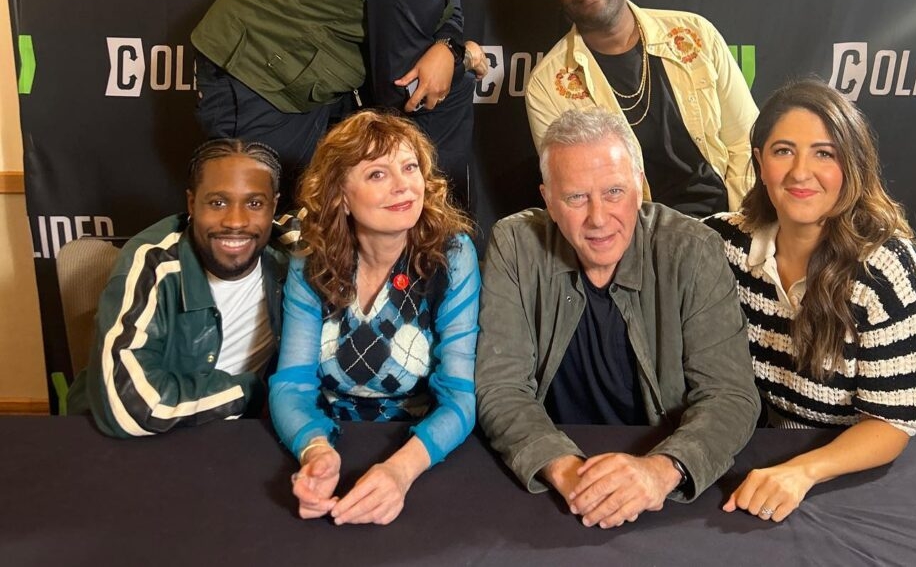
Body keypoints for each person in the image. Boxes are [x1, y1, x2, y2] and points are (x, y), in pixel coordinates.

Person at [475, 108, 759, 529]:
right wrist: (564, 468)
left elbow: (731, 396)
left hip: (661, 485)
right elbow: (501, 385)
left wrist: (661, 471)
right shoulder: (515, 245)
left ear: (640, 187)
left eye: (613, 192)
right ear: (548, 200)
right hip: (559, 486)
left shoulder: (692, 250)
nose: (598, 218)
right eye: (576, 198)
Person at [192, 0, 542, 207]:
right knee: (260, 211)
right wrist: (460, 54)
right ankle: (439, 226)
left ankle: (439, 226)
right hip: (256, 68)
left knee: (452, 86)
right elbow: (401, 89)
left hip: (300, 68)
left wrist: (448, 48)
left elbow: (449, 12)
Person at [702, 78, 916, 523]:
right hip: (777, 445)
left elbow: (890, 425)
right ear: (759, 162)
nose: (800, 172)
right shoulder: (722, 244)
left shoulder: (888, 273)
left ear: (850, 166)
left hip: (875, 459)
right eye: (783, 151)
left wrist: (801, 473)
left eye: (824, 153)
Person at [269, 110, 480, 526]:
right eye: (377, 174)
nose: (403, 185)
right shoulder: (310, 260)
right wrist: (315, 452)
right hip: (329, 436)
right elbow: (292, 385)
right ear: (340, 196)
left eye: (410, 167)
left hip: (423, 450)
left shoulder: (452, 257)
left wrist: (400, 472)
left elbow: (460, 398)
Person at [525, 0, 757, 216]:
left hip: (728, 218)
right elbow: (571, 189)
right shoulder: (548, 84)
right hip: (636, 240)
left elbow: (744, 141)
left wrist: (741, 224)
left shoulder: (693, 34)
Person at [74, 139, 291, 437]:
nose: (236, 221)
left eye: (254, 204)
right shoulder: (153, 262)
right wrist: (256, 391)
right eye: (218, 202)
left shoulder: (290, 254)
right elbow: (130, 406)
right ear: (192, 204)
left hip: (241, 436)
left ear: (274, 206)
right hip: (137, 439)